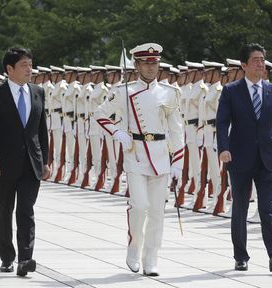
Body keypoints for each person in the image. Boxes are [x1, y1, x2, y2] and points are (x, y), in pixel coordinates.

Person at [93, 43, 184, 276]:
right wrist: (117, 132)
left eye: (154, 63)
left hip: (161, 155)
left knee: (156, 212)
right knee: (140, 206)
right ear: (136, 65)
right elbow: (100, 114)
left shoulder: (169, 92)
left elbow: (176, 130)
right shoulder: (125, 90)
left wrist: (178, 163)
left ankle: (151, 258)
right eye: (146, 63)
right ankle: (133, 248)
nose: (151, 67)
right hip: (135, 153)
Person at [216, 43, 272, 272]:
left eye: (262, 60)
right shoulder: (231, 91)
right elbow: (222, 122)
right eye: (255, 60)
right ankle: (241, 256)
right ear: (244, 65)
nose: (260, 64)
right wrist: (223, 148)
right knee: (240, 207)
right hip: (239, 157)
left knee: (267, 207)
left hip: (267, 157)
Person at [0, 47, 50, 276]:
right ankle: (7, 257)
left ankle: (25, 259)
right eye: (24, 65)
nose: (29, 69)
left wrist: (46, 161)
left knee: (26, 210)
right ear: (9, 69)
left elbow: (42, 131)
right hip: (4, 164)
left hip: (32, 163)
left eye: (30, 64)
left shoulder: (38, 91)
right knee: (5, 210)